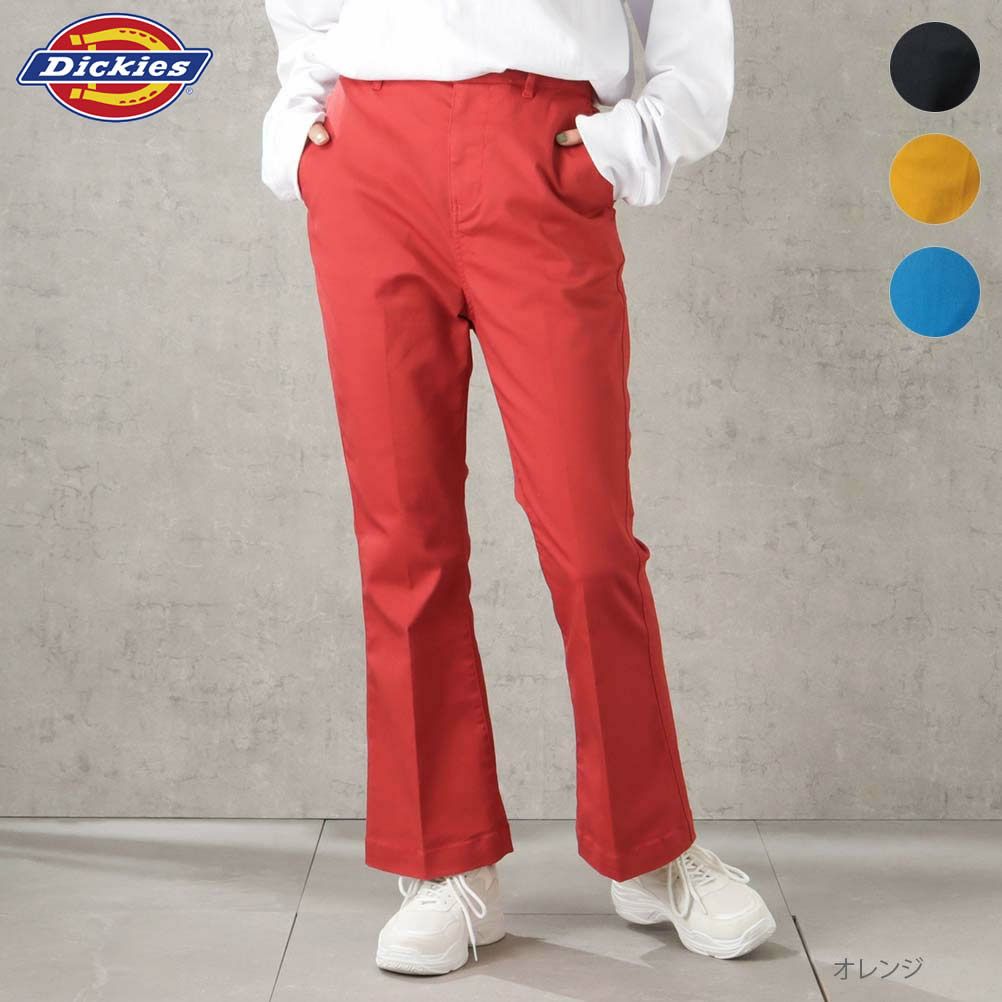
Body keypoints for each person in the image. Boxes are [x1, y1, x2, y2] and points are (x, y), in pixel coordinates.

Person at [262, 0, 776, 976]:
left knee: (591, 542)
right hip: (370, 166)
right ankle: (443, 863)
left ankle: (650, 849)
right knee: (403, 541)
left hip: (540, 155)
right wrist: (302, 123)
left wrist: (626, 144)